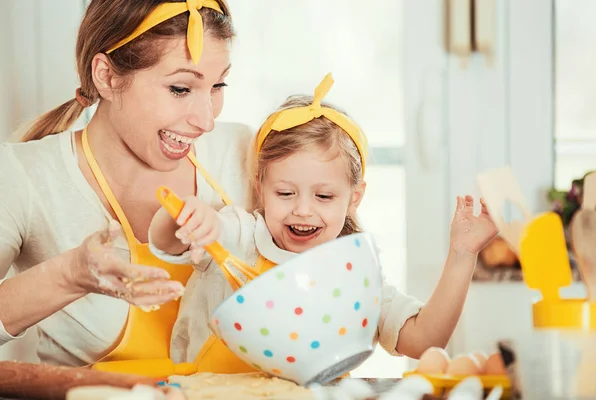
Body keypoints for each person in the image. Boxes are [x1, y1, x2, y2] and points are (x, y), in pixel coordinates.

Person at [149, 73, 500, 367]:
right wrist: (188, 218)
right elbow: (168, 242)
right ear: (260, 187)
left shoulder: (356, 278)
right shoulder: (239, 236)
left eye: (324, 196)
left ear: (354, 198)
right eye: (285, 194)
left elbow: (424, 342)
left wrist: (462, 254)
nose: (303, 209)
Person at [0, 0, 253, 367]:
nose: (206, 121)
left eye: (218, 85)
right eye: (181, 88)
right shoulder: (24, 175)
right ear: (106, 76)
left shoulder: (245, 154)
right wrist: (70, 276)